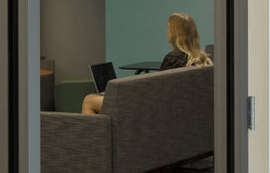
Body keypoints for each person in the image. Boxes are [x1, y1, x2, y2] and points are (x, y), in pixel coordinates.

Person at [81, 11, 212, 114]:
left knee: (89, 100)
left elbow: (154, 90)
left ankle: (93, 145)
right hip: (176, 109)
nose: (167, 32)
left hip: (150, 108)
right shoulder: (202, 59)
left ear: (175, 33)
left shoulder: (173, 58)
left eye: (169, 28)